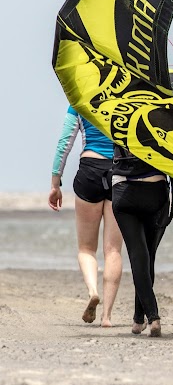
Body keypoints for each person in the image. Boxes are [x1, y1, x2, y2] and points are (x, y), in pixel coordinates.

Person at [49, 105, 123, 327]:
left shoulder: (79, 100)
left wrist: (55, 182)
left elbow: (65, 143)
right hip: (120, 171)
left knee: (86, 249)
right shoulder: (124, 99)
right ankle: (107, 317)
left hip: (90, 169)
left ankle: (93, 291)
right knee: (113, 250)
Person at [111, 145, 173, 337]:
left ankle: (147, 317)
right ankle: (144, 317)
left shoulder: (116, 114)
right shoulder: (163, 114)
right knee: (148, 256)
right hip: (155, 188)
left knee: (139, 256)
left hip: (124, 189)